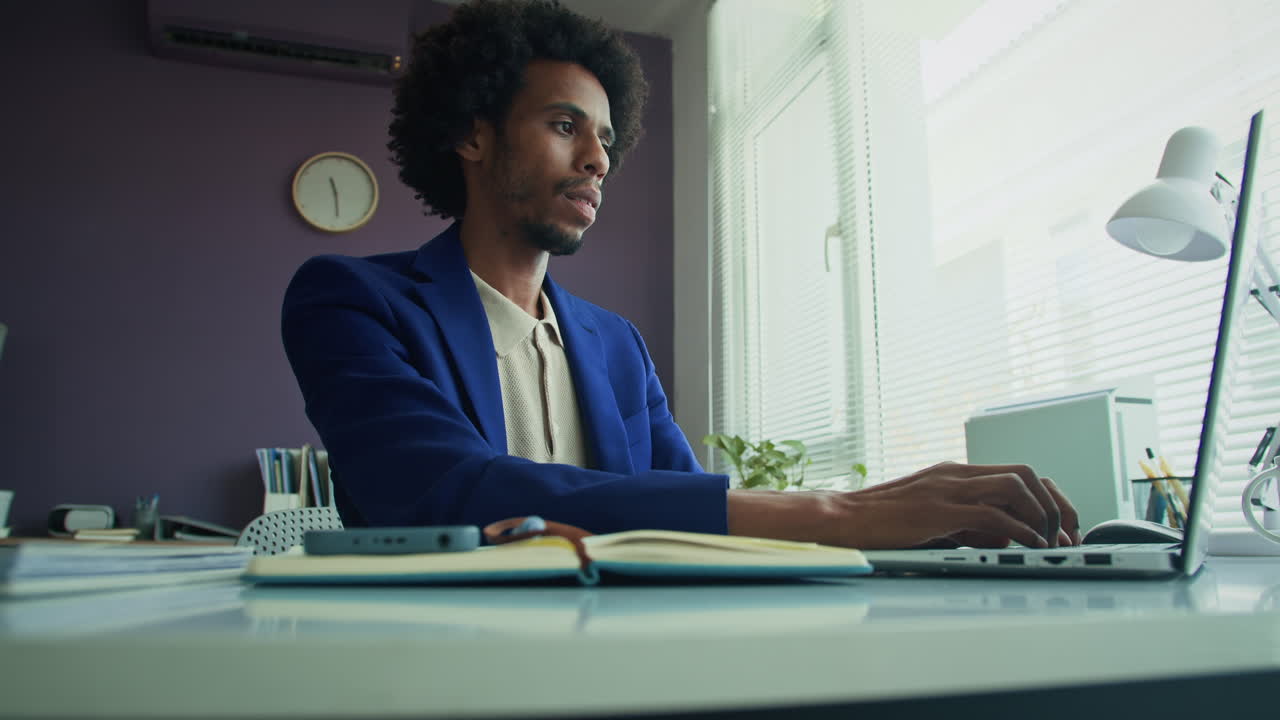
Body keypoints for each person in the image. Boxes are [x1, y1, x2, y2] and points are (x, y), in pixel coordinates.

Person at [281, 0, 1081, 550]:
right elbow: (448, 489)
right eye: (565, 127)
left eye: (604, 137)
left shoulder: (617, 346)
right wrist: (841, 509)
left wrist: (895, 526)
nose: (598, 159)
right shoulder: (349, 300)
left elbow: (695, 519)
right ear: (472, 134)